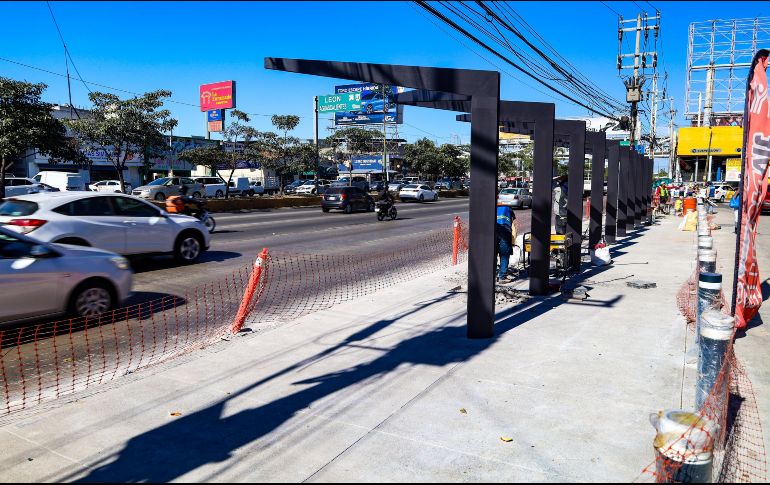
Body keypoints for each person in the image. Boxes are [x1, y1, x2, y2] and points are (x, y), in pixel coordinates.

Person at [495, 201, 516, 283]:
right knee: (504, 255)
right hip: (506, 231)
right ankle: (502, 277)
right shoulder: (509, 209)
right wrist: (513, 241)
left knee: (493, 255)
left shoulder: (491, 208)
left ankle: (491, 275)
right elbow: (514, 225)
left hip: (494, 230)